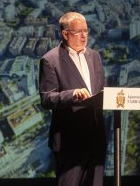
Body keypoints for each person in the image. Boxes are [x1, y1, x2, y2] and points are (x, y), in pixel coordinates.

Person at [39, 12, 107, 186]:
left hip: (96, 137)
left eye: (86, 31)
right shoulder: (50, 60)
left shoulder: (95, 56)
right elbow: (47, 99)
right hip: (70, 141)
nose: (84, 35)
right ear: (65, 34)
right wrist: (72, 94)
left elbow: (103, 90)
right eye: (79, 32)